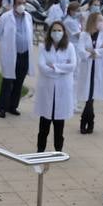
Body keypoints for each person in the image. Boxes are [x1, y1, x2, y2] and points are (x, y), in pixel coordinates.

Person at [35, 20, 77, 152]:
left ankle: (58, 150)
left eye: (59, 30)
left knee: (59, 124)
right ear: (50, 32)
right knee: (44, 124)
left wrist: (55, 67)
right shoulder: (43, 47)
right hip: (47, 88)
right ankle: (40, 150)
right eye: (54, 30)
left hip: (63, 88)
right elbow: (42, 67)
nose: (57, 33)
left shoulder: (69, 47)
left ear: (64, 32)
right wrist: (60, 71)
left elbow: (72, 66)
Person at [0, 0, 33, 118]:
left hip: (25, 54)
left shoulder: (28, 17)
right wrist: (7, 44)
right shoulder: (6, 17)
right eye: (19, 3)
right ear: (14, 4)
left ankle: (13, 106)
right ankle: (2, 107)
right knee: (8, 81)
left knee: (19, 82)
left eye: (23, 3)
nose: (21, 6)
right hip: (11, 54)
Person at [76, 10, 103, 134]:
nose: (101, 23)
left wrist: (92, 52)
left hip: (98, 69)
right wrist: (94, 52)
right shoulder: (84, 35)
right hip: (87, 69)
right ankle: (88, 123)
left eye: (102, 20)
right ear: (92, 21)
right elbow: (80, 51)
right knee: (88, 97)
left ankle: (86, 123)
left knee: (91, 98)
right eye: (99, 20)